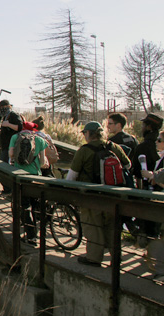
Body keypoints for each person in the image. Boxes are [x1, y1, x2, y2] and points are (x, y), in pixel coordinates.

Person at [66, 121, 131, 267]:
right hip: (113, 195)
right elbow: (128, 165)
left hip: (92, 196)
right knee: (112, 226)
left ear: (89, 134)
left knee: (93, 225)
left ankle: (94, 258)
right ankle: (116, 257)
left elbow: (72, 176)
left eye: (85, 133)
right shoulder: (113, 146)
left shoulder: (84, 150)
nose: (84, 136)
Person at [9, 129, 48, 244]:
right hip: (35, 176)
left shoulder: (15, 137)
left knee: (24, 205)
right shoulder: (40, 140)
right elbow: (42, 162)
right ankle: (39, 234)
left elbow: (11, 154)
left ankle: (31, 236)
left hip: (20, 176)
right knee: (35, 205)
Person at [132, 113, 164, 246]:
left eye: (144, 124)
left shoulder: (143, 147)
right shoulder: (157, 151)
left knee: (150, 227)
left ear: (149, 127)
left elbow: (136, 174)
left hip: (151, 194)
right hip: (156, 192)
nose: (142, 127)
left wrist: (151, 176)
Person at [0, 100, 22, 195]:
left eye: (1, 108)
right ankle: (8, 189)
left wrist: (8, 124)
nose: (0, 110)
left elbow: (19, 127)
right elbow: (7, 130)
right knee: (5, 168)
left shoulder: (13, 115)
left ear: (6, 107)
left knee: (3, 168)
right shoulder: (6, 116)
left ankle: (8, 189)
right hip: (6, 146)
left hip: (11, 147)